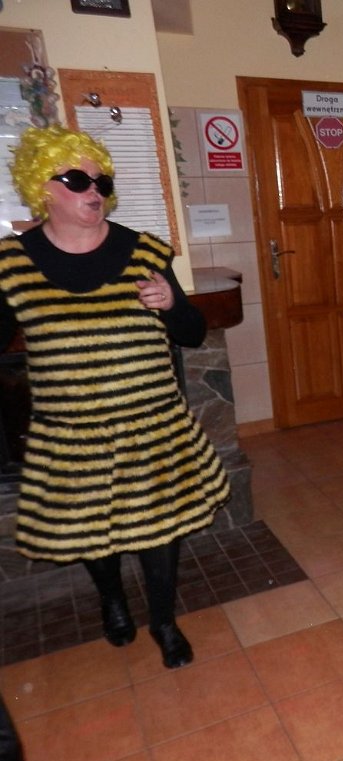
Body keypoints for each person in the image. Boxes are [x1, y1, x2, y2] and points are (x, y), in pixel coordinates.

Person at [2, 126, 230, 667]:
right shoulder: (13, 264)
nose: (94, 191)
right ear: (42, 187)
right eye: (77, 180)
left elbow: (193, 332)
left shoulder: (142, 251)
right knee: (88, 534)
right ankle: (111, 600)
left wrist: (172, 304)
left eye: (101, 181)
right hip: (69, 434)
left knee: (160, 533)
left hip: (151, 427)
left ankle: (164, 622)